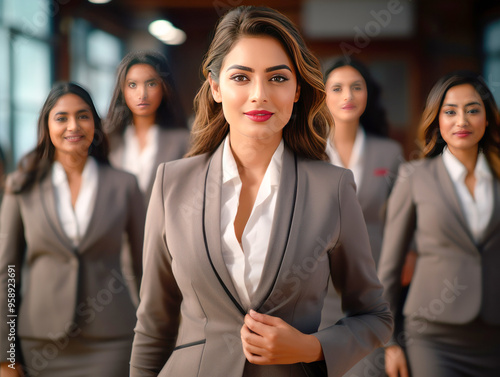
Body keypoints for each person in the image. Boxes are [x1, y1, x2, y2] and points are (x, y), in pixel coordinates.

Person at [130, 6, 393, 377]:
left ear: (298, 89)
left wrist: (312, 347)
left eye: (277, 78)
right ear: (216, 87)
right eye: (241, 78)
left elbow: (374, 316)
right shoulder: (171, 183)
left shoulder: (332, 187)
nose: (259, 95)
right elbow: (153, 326)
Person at [0, 82, 145, 377]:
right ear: (46, 125)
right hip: (39, 341)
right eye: (61, 117)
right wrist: (7, 354)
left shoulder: (124, 185)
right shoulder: (21, 186)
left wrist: (155, 334)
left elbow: (147, 267)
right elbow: (8, 273)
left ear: (95, 124)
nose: (73, 126)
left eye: (83, 116)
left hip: (112, 339)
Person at [378, 71, 500, 377]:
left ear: (487, 119)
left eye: (473, 110)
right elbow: (389, 268)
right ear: (437, 120)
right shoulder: (414, 177)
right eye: (450, 112)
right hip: (433, 337)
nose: (462, 121)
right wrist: (390, 342)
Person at [319, 57, 403, 376]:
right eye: (337, 88)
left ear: (368, 94)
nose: (348, 96)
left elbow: (401, 222)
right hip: (318, 287)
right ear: (323, 95)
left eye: (357, 87)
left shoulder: (389, 153)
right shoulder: (307, 153)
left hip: (375, 284)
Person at [105, 50, 190, 204]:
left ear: (164, 88)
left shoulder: (183, 141)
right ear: (122, 90)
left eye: (151, 84)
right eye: (132, 85)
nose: (142, 94)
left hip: (165, 227)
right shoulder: (109, 140)